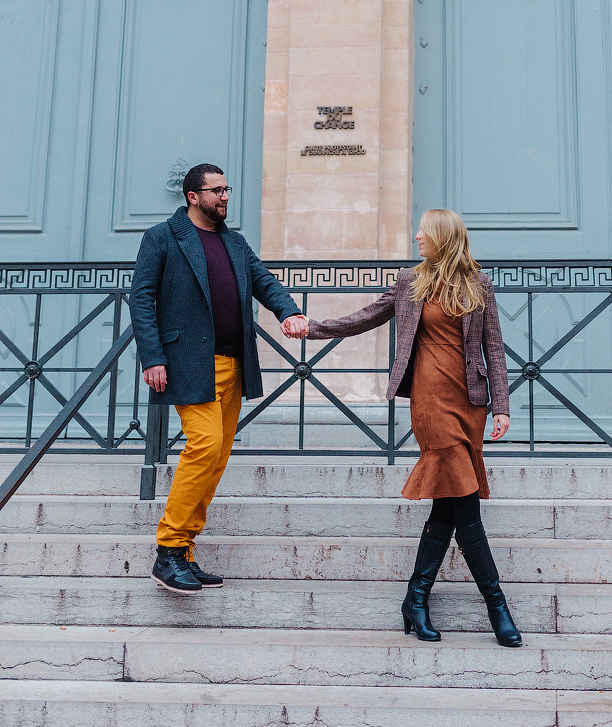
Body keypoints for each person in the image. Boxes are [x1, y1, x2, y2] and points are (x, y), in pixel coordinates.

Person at [289, 208, 522, 647]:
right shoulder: (409, 282)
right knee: (467, 507)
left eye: (423, 231)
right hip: (430, 400)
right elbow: (365, 317)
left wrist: (501, 407)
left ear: (442, 237)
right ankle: (498, 608)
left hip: (470, 401)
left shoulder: (478, 284)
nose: (416, 236)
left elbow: (494, 346)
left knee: (448, 507)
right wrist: (313, 328)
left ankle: (415, 599)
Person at [130, 163, 307, 595]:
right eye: (216, 191)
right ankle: (168, 548)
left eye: (227, 189)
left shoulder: (235, 241)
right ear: (193, 195)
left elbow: (264, 281)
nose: (225, 197)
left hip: (234, 364)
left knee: (217, 458)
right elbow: (141, 297)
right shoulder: (163, 237)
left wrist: (289, 310)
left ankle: (186, 550)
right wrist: (152, 356)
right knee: (204, 446)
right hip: (191, 362)